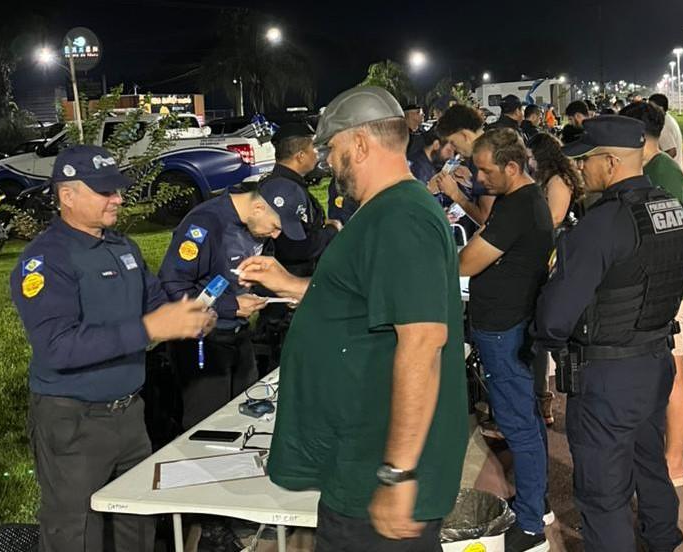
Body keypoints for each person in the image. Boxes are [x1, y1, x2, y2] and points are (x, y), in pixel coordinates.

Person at [237, 86, 468, 551]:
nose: (327, 161)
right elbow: (369, 301)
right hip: (358, 459)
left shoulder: (400, 216)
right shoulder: (385, 213)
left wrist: (397, 472)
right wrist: (295, 286)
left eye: (333, 148)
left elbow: (422, 342)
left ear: (360, 144)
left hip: (375, 467)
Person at [11, 146, 216, 552]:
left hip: (130, 414)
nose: (118, 199)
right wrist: (148, 329)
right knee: (76, 532)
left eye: (117, 190)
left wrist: (193, 315)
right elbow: (57, 347)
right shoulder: (46, 260)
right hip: (75, 422)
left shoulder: (122, 248)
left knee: (136, 521)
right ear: (67, 196)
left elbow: (155, 301)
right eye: (105, 192)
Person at [532, 116, 683, 552]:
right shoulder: (672, 209)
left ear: (610, 162)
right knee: (649, 464)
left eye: (585, 160)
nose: (580, 169)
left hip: (607, 377)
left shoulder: (600, 225)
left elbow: (553, 319)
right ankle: (663, 541)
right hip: (654, 363)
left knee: (604, 496)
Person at [459, 129, 556, 552]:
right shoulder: (519, 201)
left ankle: (532, 526)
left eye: (485, 169)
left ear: (512, 167)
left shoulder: (519, 207)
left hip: (505, 328)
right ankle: (540, 502)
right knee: (526, 421)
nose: (479, 177)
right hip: (510, 324)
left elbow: (466, 261)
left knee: (519, 425)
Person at [157, 176, 309, 429]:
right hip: (203, 342)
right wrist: (231, 306)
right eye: (275, 226)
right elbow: (172, 285)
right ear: (259, 207)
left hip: (239, 336)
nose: (276, 234)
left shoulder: (255, 223)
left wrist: (281, 291)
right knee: (208, 428)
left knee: (248, 418)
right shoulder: (204, 224)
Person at [620, 101, 683, 486]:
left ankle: (674, 463)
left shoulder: (661, 173)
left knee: (674, 375)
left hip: (666, 291)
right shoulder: (654, 167)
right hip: (659, 288)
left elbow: (670, 239)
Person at [255, 123, 343, 375]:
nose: (317, 154)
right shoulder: (283, 189)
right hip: (285, 301)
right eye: (313, 149)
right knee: (287, 369)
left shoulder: (286, 184)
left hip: (289, 293)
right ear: (300, 156)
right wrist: (331, 231)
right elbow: (294, 249)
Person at [527, 132, 585, 426]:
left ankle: (548, 396)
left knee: (552, 323)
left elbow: (555, 218)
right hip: (550, 252)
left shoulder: (557, 180)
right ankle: (542, 393)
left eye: (531, 156)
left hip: (555, 255)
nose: (528, 161)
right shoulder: (549, 178)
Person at [434, 104, 497, 225]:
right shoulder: (496, 143)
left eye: (453, 142)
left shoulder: (484, 157)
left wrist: (456, 194)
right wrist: (469, 181)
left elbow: (487, 220)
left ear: (464, 136)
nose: (453, 149)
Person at [649, 93, 683, 169]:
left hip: (669, 173)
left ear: (660, 108)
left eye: (651, 107)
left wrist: (656, 166)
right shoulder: (668, 118)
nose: (648, 110)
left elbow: (672, 151)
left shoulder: (663, 125)